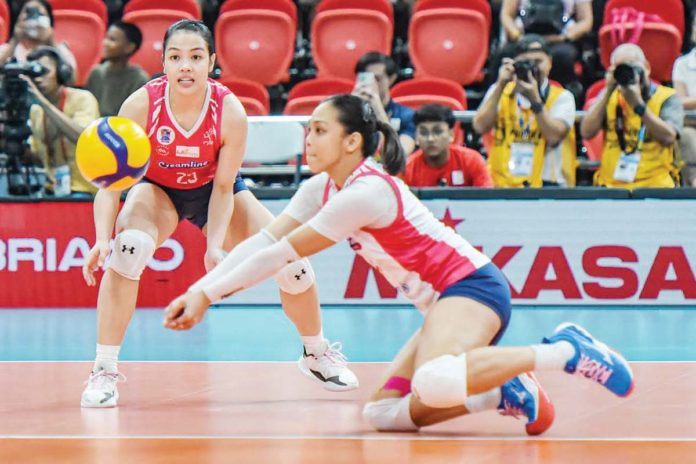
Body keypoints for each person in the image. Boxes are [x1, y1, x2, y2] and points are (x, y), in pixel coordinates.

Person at [162, 93, 635, 435]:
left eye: (321, 130)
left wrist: (206, 294)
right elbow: (262, 239)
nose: (309, 139)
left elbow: (279, 255)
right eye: (309, 129)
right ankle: (503, 392)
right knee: (384, 415)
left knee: (434, 378)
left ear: (352, 143)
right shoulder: (319, 189)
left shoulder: (365, 191)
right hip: (440, 306)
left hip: (471, 288)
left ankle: (564, 352)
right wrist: (202, 288)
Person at [79, 20, 358, 408]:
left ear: (211, 61)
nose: (186, 67)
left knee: (293, 266)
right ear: (163, 63)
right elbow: (111, 181)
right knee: (127, 250)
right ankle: (103, 370)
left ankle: (316, 353)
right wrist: (102, 239)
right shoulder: (141, 104)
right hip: (157, 190)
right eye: (176, 57)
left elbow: (225, 187)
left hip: (213, 189)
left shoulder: (229, 111)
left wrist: (214, 247)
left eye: (196, 57)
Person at [473, 35, 577, 187]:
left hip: (547, 185)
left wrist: (535, 101)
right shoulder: (499, 90)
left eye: (538, 62)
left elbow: (554, 136)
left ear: (550, 62)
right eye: (526, 63)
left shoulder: (562, 97)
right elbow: (479, 126)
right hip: (503, 184)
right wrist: (501, 84)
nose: (533, 68)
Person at [581, 44, 683, 189]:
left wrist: (639, 106)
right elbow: (587, 132)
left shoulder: (667, 97)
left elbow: (668, 137)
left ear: (646, 67)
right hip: (611, 185)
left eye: (632, 67)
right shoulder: (608, 97)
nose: (627, 73)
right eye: (620, 68)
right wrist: (607, 89)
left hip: (655, 185)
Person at [21, 46, 99, 197]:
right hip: (52, 187)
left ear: (62, 72)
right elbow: (37, 158)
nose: (37, 78)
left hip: (84, 189)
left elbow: (83, 137)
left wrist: (43, 102)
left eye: (43, 71)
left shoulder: (83, 98)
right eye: (32, 73)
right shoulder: (36, 111)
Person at [499, 0, 592, 90]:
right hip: (523, 37)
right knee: (505, 53)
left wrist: (566, 36)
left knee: (563, 57)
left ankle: (563, 96)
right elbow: (507, 15)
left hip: (559, 39)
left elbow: (586, 20)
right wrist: (517, 36)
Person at [404, 104, 493, 188]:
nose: (430, 139)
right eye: (424, 133)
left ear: (451, 135)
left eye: (438, 132)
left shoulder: (472, 160)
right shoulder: (408, 168)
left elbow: (488, 198)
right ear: (416, 137)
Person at [353, 51, 416, 156]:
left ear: (391, 79)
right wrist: (351, 107)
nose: (373, 84)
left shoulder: (407, 115)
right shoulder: (353, 113)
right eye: (367, 78)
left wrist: (377, 106)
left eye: (377, 79)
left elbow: (400, 154)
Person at [85, 21, 150, 117]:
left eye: (112, 40)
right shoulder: (96, 73)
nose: (105, 43)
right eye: (106, 38)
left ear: (129, 47)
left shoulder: (139, 79)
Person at [0, 0, 77, 79]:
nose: (33, 20)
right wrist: (15, 41)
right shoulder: (6, 49)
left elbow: (70, 79)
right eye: (28, 13)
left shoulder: (60, 50)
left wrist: (51, 41)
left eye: (39, 14)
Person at [672, 21, 696, 186]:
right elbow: (680, 101)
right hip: (691, 122)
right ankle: (692, 183)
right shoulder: (682, 64)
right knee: (686, 135)